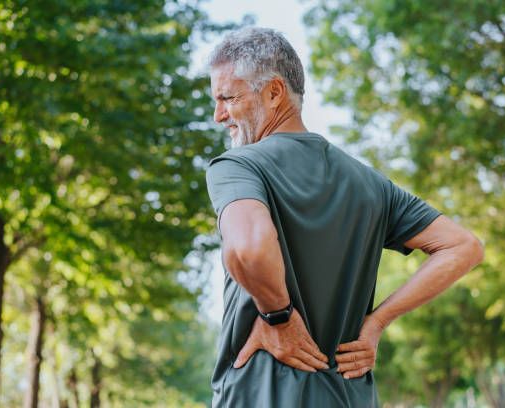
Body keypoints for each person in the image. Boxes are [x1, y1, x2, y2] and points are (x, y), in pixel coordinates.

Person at [205, 27, 484, 407]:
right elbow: (463, 246)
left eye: (228, 98)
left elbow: (249, 249)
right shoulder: (371, 184)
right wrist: (378, 323)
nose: (219, 115)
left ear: (274, 92)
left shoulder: (238, 168)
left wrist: (279, 318)